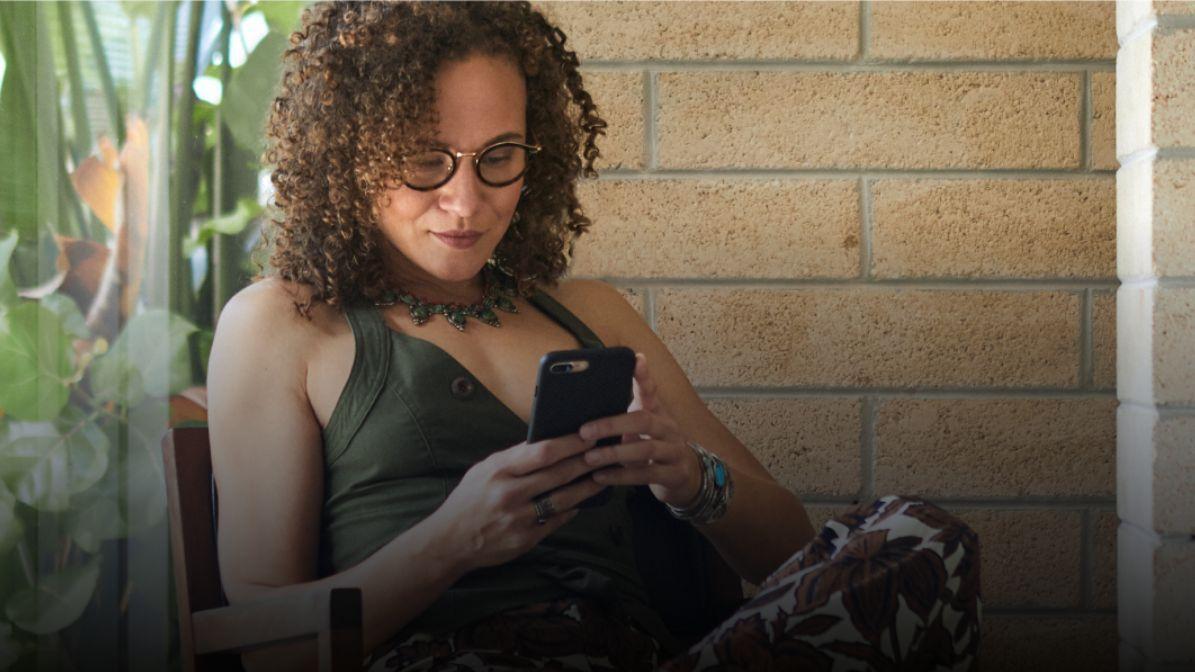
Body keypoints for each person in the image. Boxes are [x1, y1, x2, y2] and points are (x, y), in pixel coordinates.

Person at [206, 3, 981, 671]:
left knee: (918, 539)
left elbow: (787, 548)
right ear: (348, 156)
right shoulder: (285, 324)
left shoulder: (590, 313)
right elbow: (267, 646)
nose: (466, 201)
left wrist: (690, 481)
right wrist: (451, 542)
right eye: (423, 161)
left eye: (498, 158)